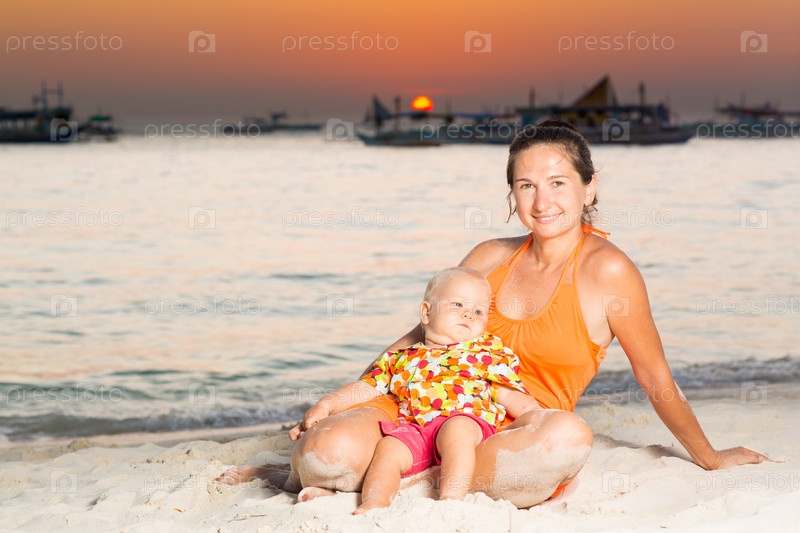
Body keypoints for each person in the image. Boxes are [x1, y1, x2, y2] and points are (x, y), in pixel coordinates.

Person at [218, 120, 769, 508]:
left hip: (505, 427)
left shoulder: (609, 271)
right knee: (325, 453)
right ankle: (327, 471)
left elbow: (653, 376)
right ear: (512, 194)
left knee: (567, 438)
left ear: (589, 188)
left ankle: (396, 480)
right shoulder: (488, 256)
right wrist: (348, 402)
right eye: (526, 186)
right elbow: (414, 341)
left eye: (558, 183)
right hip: (417, 404)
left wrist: (710, 457)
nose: (542, 202)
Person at [288, 267, 539, 513]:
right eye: (457, 305)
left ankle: (451, 498)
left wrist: (535, 417)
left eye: (478, 311)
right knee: (389, 448)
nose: (468, 315)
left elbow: (509, 394)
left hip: (466, 420)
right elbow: (366, 387)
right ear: (426, 313)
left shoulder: (485, 354)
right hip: (416, 429)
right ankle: (375, 502)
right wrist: (327, 405)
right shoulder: (401, 357)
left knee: (457, 431)